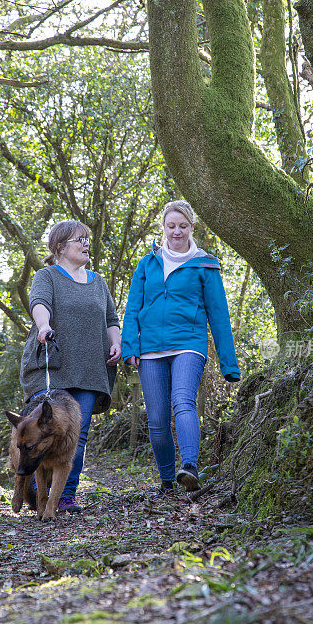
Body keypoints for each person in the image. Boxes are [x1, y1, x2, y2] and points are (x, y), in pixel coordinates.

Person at [121, 200, 240, 498]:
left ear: (192, 227)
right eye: (171, 226)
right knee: (157, 418)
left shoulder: (205, 264)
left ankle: (189, 467)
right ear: (163, 227)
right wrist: (129, 347)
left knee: (183, 401)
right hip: (149, 349)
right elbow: (132, 308)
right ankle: (166, 482)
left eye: (183, 226)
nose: (177, 232)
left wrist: (229, 364)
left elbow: (219, 315)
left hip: (189, 343)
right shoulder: (147, 264)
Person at [20, 219, 121, 512]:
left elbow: (111, 321)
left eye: (87, 238)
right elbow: (39, 303)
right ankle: (38, 494)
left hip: (91, 368)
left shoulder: (98, 282)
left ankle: (65, 496)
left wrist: (116, 342)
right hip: (54, 364)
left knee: (79, 433)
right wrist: (43, 326)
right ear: (61, 247)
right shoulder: (47, 275)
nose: (87, 243)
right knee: (43, 429)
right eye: (80, 239)